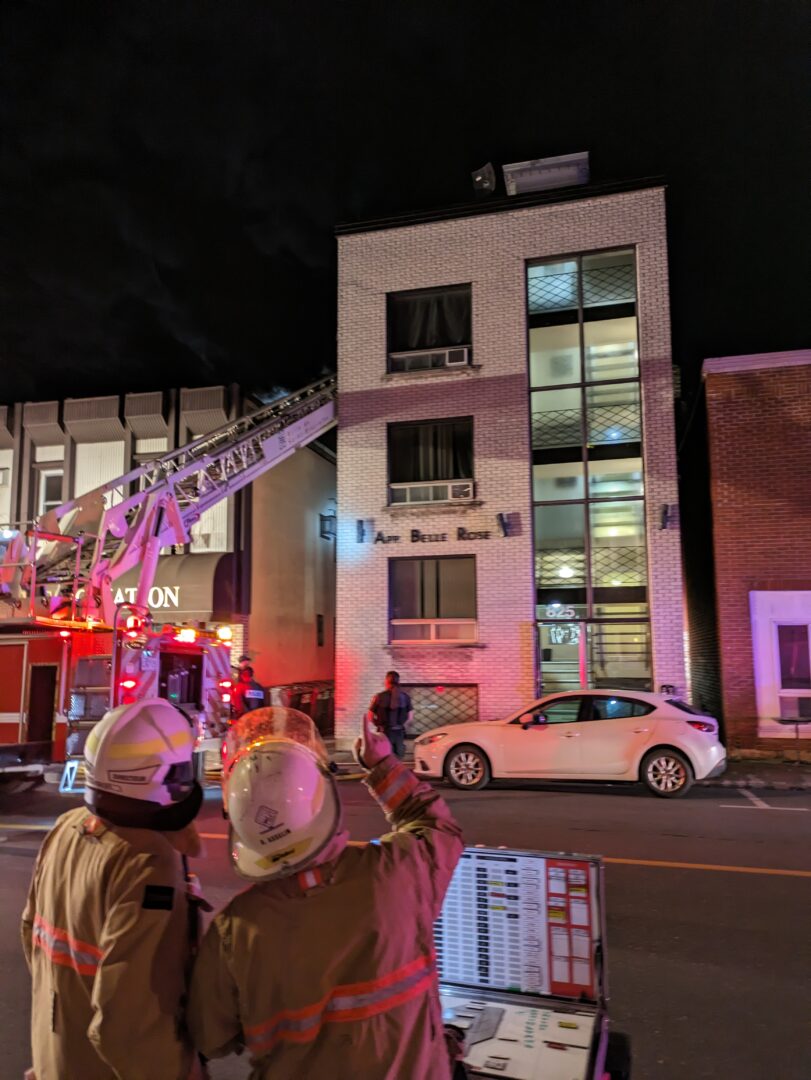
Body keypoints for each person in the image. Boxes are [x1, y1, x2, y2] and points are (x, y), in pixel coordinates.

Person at [188, 707, 463, 1079]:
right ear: (324, 794)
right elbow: (436, 826)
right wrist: (380, 764)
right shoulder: (398, 872)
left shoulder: (234, 932)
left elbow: (211, 1038)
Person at [21, 699, 207, 1080]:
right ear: (152, 777)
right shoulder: (147, 861)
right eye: (179, 774)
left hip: (56, 1054)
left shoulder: (68, 827)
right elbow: (130, 1020)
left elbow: (32, 937)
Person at [368, 670, 413, 758]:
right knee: (398, 759)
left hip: (384, 733)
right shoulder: (405, 697)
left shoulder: (378, 697)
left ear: (386, 681)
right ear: (398, 681)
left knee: (385, 758)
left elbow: (370, 716)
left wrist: (377, 724)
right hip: (399, 733)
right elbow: (410, 717)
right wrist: (402, 725)